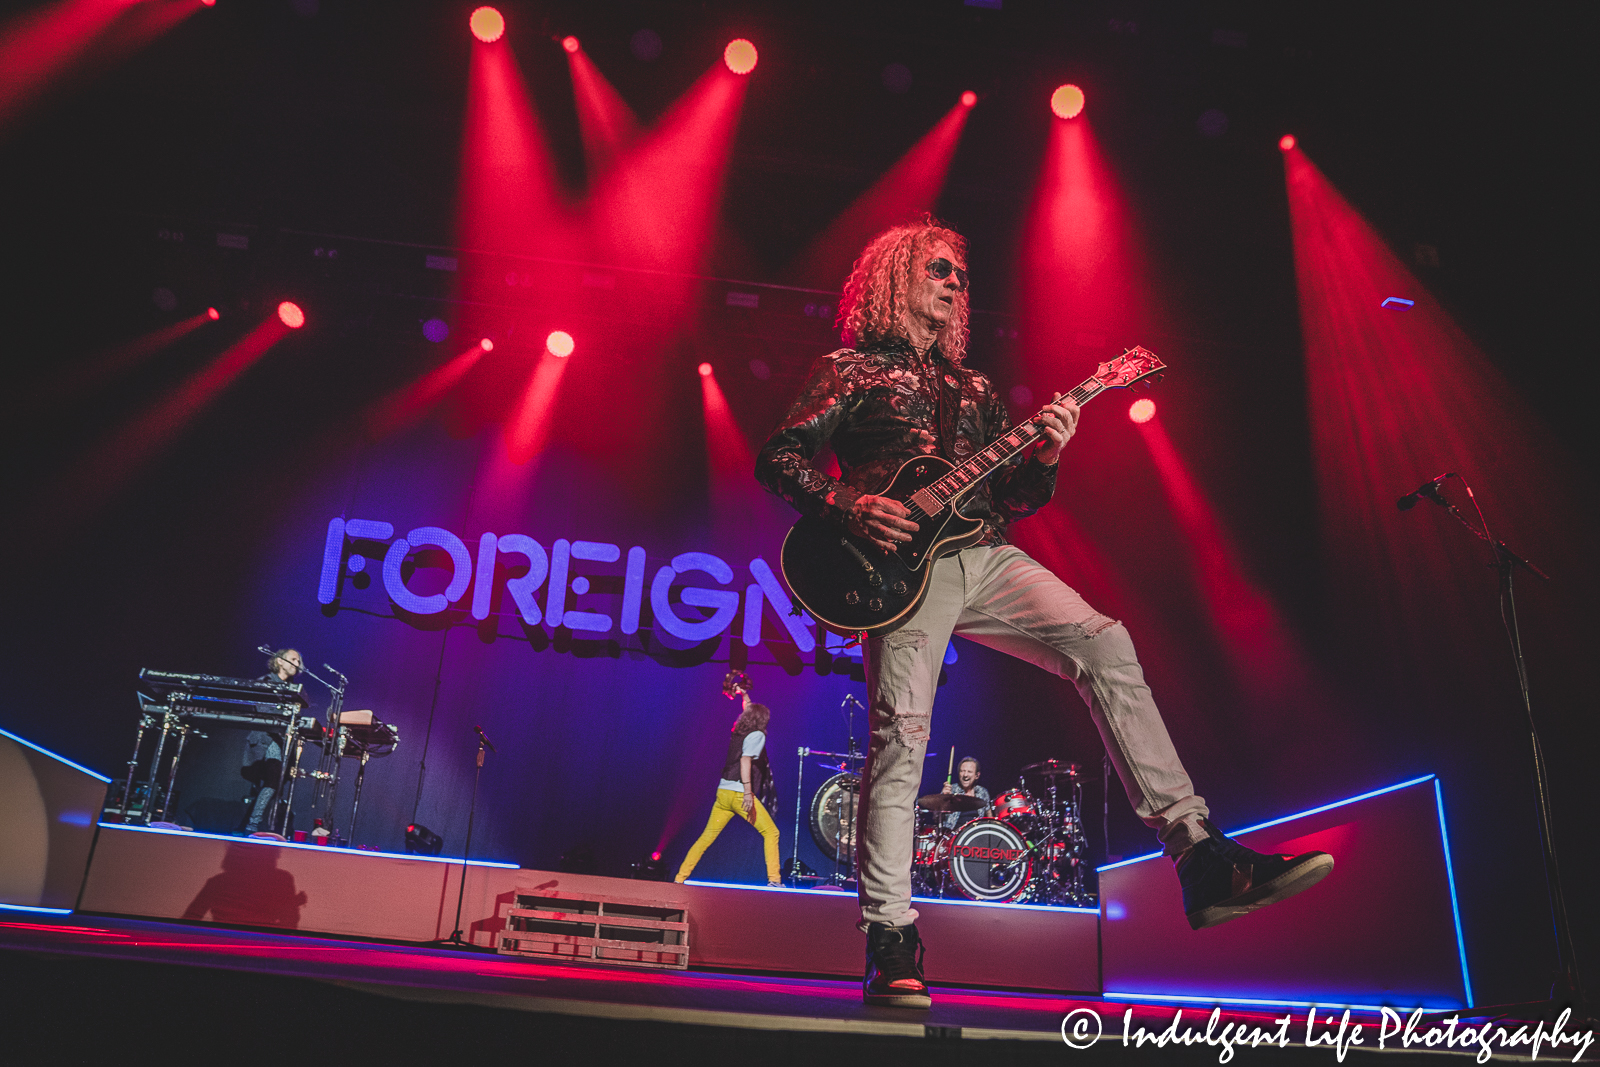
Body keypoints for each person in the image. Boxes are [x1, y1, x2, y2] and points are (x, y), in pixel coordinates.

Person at [755, 215, 1333, 1009]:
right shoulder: (849, 369)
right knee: (902, 739)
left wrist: (1050, 454)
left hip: (981, 556)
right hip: (888, 571)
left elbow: (1009, 498)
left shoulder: (978, 389)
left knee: (1105, 643)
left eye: (962, 271)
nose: (957, 281)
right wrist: (850, 503)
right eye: (939, 268)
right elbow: (779, 458)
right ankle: (891, 935)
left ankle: (1199, 855)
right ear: (895, 275)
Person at [674, 679, 782, 887]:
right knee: (771, 832)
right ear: (763, 721)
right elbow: (745, 760)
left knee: (706, 837)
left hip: (723, 792)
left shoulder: (739, 731)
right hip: (740, 794)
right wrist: (749, 793)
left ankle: (680, 878)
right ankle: (775, 880)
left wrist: (743, 695)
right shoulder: (758, 734)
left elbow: (749, 710)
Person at [242, 648, 301, 835]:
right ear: (280, 662)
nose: (297, 664)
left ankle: (257, 825)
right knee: (273, 780)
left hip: (283, 741)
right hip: (266, 738)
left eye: (299, 661)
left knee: (274, 783)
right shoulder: (266, 682)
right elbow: (263, 710)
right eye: (293, 659)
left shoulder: (294, 689)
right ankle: (253, 825)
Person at [939, 756, 991, 830]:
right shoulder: (950, 789)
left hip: (976, 835)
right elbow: (936, 818)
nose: (965, 775)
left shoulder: (982, 792)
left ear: (977, 775)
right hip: (953, 836)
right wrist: (943, 798)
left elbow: (990, 818)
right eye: (962, 771)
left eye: (969, 772)